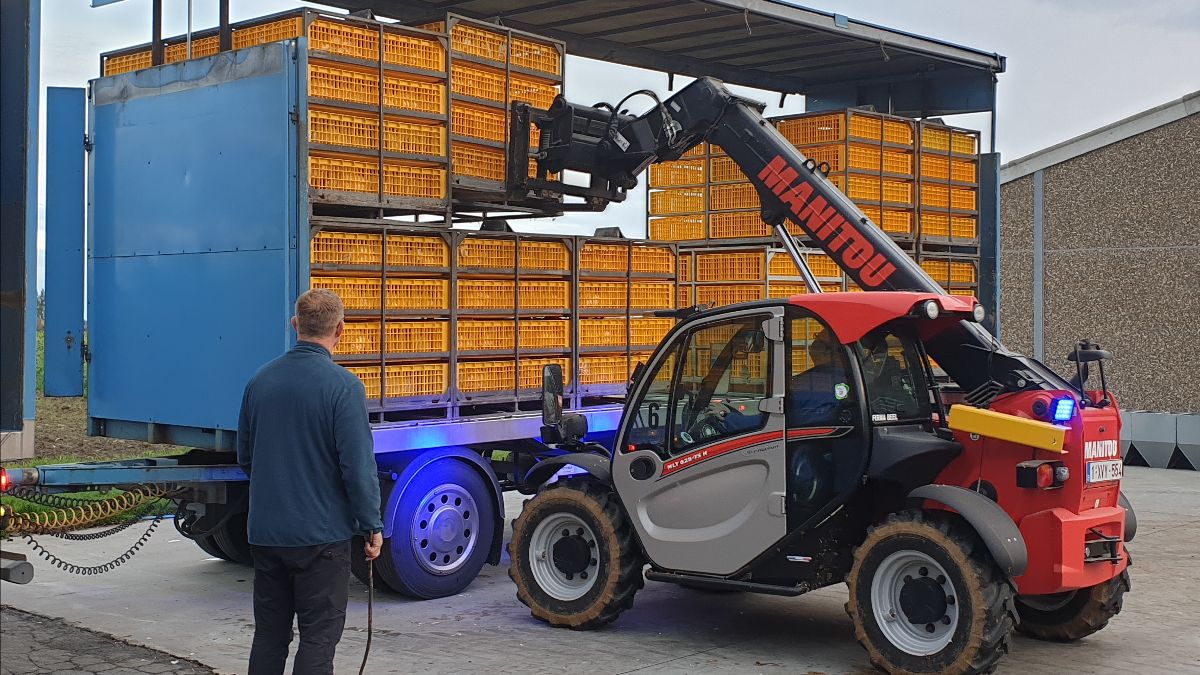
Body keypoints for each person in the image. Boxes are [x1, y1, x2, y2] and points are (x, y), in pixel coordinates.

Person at [237, 288, 385, 675]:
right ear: (341, 329)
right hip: (321, 538)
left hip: (267, 534)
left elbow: (246, 456)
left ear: (295, 325)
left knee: (269, 635)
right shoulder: (343, 386)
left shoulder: (259, 381)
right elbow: (357, 466)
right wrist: (371, 524)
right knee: (318, 637)